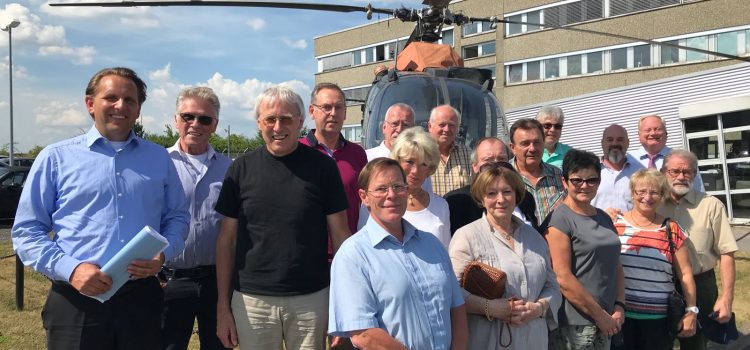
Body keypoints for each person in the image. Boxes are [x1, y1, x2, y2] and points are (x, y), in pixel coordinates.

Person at [11, 67, 190, 349]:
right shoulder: (55, 158)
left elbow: (177, 217)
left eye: (130, 100)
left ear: (139, 108)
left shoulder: (159, 158)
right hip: (76, 300)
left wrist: (163, 254)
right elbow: (27, 231)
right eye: (111, 97)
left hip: (141, 300)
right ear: (90, 104)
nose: (121, 106)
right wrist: (71, 269)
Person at [214, 86, 351, 349]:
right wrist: (223, 306)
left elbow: (341, 236)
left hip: (311, 298)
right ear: (259, 123)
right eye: (270, 119)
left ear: (301, 121)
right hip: (252, 301)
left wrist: (343, 305)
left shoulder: (323, 167)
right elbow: (226, 241)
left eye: (286, 119)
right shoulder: (240, 169)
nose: (278, 126)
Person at [329, 158, 468, 350]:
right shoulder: (353, 255)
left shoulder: (432, 245)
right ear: (364, 197)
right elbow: (363, 334)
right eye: (381, 189)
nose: (391, 195)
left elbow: (457, 307)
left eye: (398, 186)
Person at [449, 164, 561, 349]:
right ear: (481, 198)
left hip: (533, 340)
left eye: (507, 192)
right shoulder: (466, 236)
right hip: (487, 341)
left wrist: (539, 308)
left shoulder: (534, 238)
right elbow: (451, 290)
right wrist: (489, 307)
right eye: (491, 193)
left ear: (517, 195)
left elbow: (553, 287)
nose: (500, 199)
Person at [161, 87, 232, 350]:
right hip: (169, 279)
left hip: (217, 281)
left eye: (205, 119)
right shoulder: (158, 164)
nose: (195, 124)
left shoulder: (230, 169)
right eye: (188, 116)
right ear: (176, 119)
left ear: (214, 125)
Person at [657, 149, 739, 350]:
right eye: (674, 171)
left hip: (701, 284)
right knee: (657, 341)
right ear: (663, 172)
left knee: (696, 343)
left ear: (695, 174)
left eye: (688, 172)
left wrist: (726, 297)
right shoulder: (653, 205)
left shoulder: (711, 206)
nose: (681, 177)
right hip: (660, 285)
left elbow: (727, 253)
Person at [545, 149, 625, 350]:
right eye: (577, 180)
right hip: (575, 324)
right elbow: (562, 278)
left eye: (591, 180)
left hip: (608, 318)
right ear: (564, 182)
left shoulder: (604, 217)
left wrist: (619, 306)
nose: (584, 186)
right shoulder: (559, 220)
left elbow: (616, 265)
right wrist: (600, 317)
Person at [613, 169, 697, 349]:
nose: (647, 197)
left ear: (662, 195)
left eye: (654, 192)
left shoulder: (671, 228)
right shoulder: (614, 225)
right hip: (620, 316)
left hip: (658, 321)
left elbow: (686, 274)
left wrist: (691, 310)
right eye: (641, 191)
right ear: (632, 193)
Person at [301, 82, 367, 261]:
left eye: (338, 107)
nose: (333, 113)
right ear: (312, 111)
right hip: (307, 255)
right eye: (326, 107)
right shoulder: (297, 151)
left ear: (345, 113)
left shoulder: (358, 154)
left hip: (348, 251)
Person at [358, 127, 451, 249]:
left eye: (423, 164)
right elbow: (364, 243)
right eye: (409, 162)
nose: (415, 171)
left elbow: (444, 252)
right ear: (397, 161)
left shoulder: (441, 206)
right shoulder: (377, 201)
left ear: (430, 168)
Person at [444, 137, 539, 234]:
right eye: (488, 160)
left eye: (502, 159)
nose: (496, 165)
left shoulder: (524, 197)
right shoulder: (457, 201)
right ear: (475, 166)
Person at [509, 118, 566, 226]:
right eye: (525, 143)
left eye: (537, 142)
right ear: (513, 148)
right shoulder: (504, 177)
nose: (532, 148)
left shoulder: (558, 175)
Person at [629, 114, 704, 192]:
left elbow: (699, 192)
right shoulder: (628, 160)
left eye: (658, 129)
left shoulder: (684, 159)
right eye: (647, 130)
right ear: (639, 135)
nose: (653, 133)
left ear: (666, 133)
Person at [592, 124, 644, 213]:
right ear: (602, 143)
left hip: (630, 226)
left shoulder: (640, 173)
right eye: (609, 140)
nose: (615, 143)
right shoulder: (590, 172)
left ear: (628, 143)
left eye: (620, 140)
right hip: (597, 226)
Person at [428, 104, 472, 196]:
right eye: (442, 125)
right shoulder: (419, 154)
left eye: (451, 125)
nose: (447, 129)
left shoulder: (468, 154)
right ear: (430, 126)